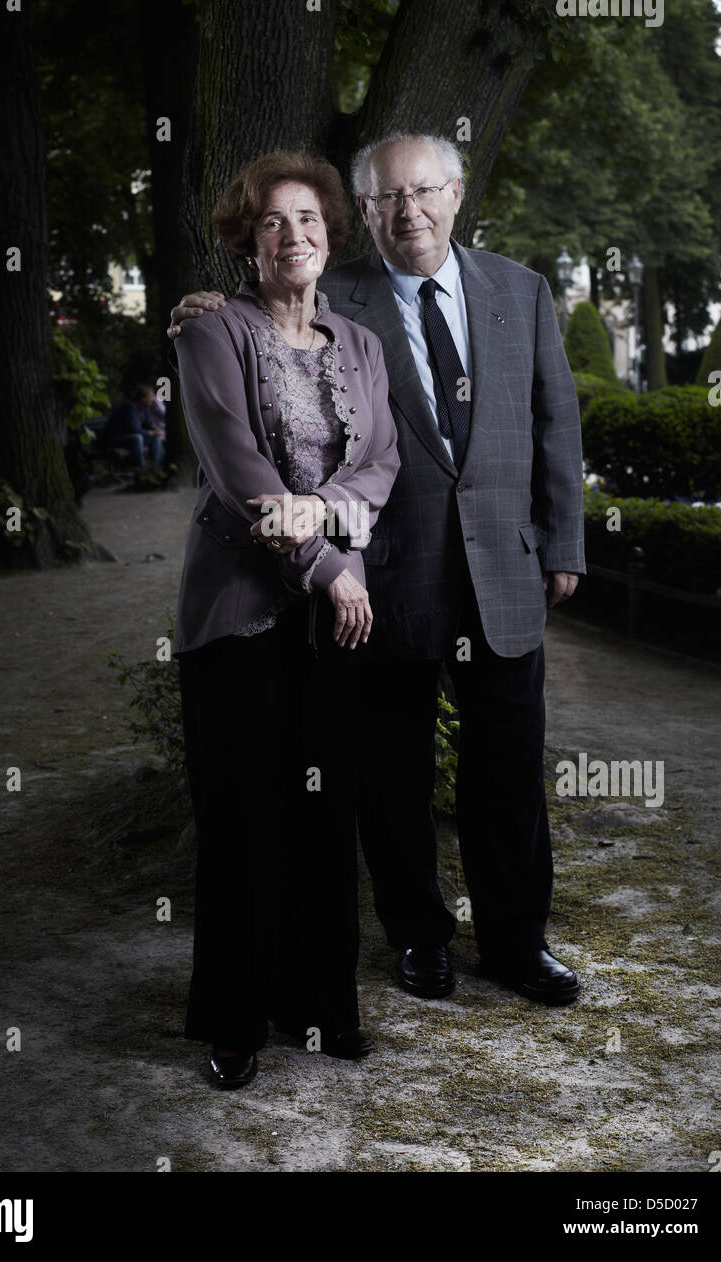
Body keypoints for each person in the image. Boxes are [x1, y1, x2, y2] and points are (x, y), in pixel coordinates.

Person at [169, 132, 586, 1010]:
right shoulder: (336, 293)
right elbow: (256, 326)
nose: (410, 212)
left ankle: (517, 943)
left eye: (426, 192)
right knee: (390, 775)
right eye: (390, 198)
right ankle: (419, 938)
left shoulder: (523, 291)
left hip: (503, 572)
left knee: (508, 770)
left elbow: (556, 422)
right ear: (365, 211)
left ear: (456, 194)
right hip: (386, 577)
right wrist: (200, 308)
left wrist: (565, 545)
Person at [171, 151, 399, 1089]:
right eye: (273, 222)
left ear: (330, 235)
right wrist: (331, 568)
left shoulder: (361, 345)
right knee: (242, 820)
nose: (294, 236)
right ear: (246, 239)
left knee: (321, 814)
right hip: (239, 619)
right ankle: (236, 1020)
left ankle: (320, 1007)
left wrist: (327, 517)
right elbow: (240, 475)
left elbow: (380, 463)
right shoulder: (211, 333)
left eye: (309, 220)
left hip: (330, 627)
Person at [99, 385, 164, 469]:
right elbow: (134, 429)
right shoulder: (129, 407)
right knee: (137, 438)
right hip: (112, 439)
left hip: (128, 438)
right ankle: (140, 469)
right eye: (151, 396)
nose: (153, 399)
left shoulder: (144, 408)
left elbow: (149, 425)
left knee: (155, 438)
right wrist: (151, 432)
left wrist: (156, 430)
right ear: (143, 398)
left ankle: (156, 468)